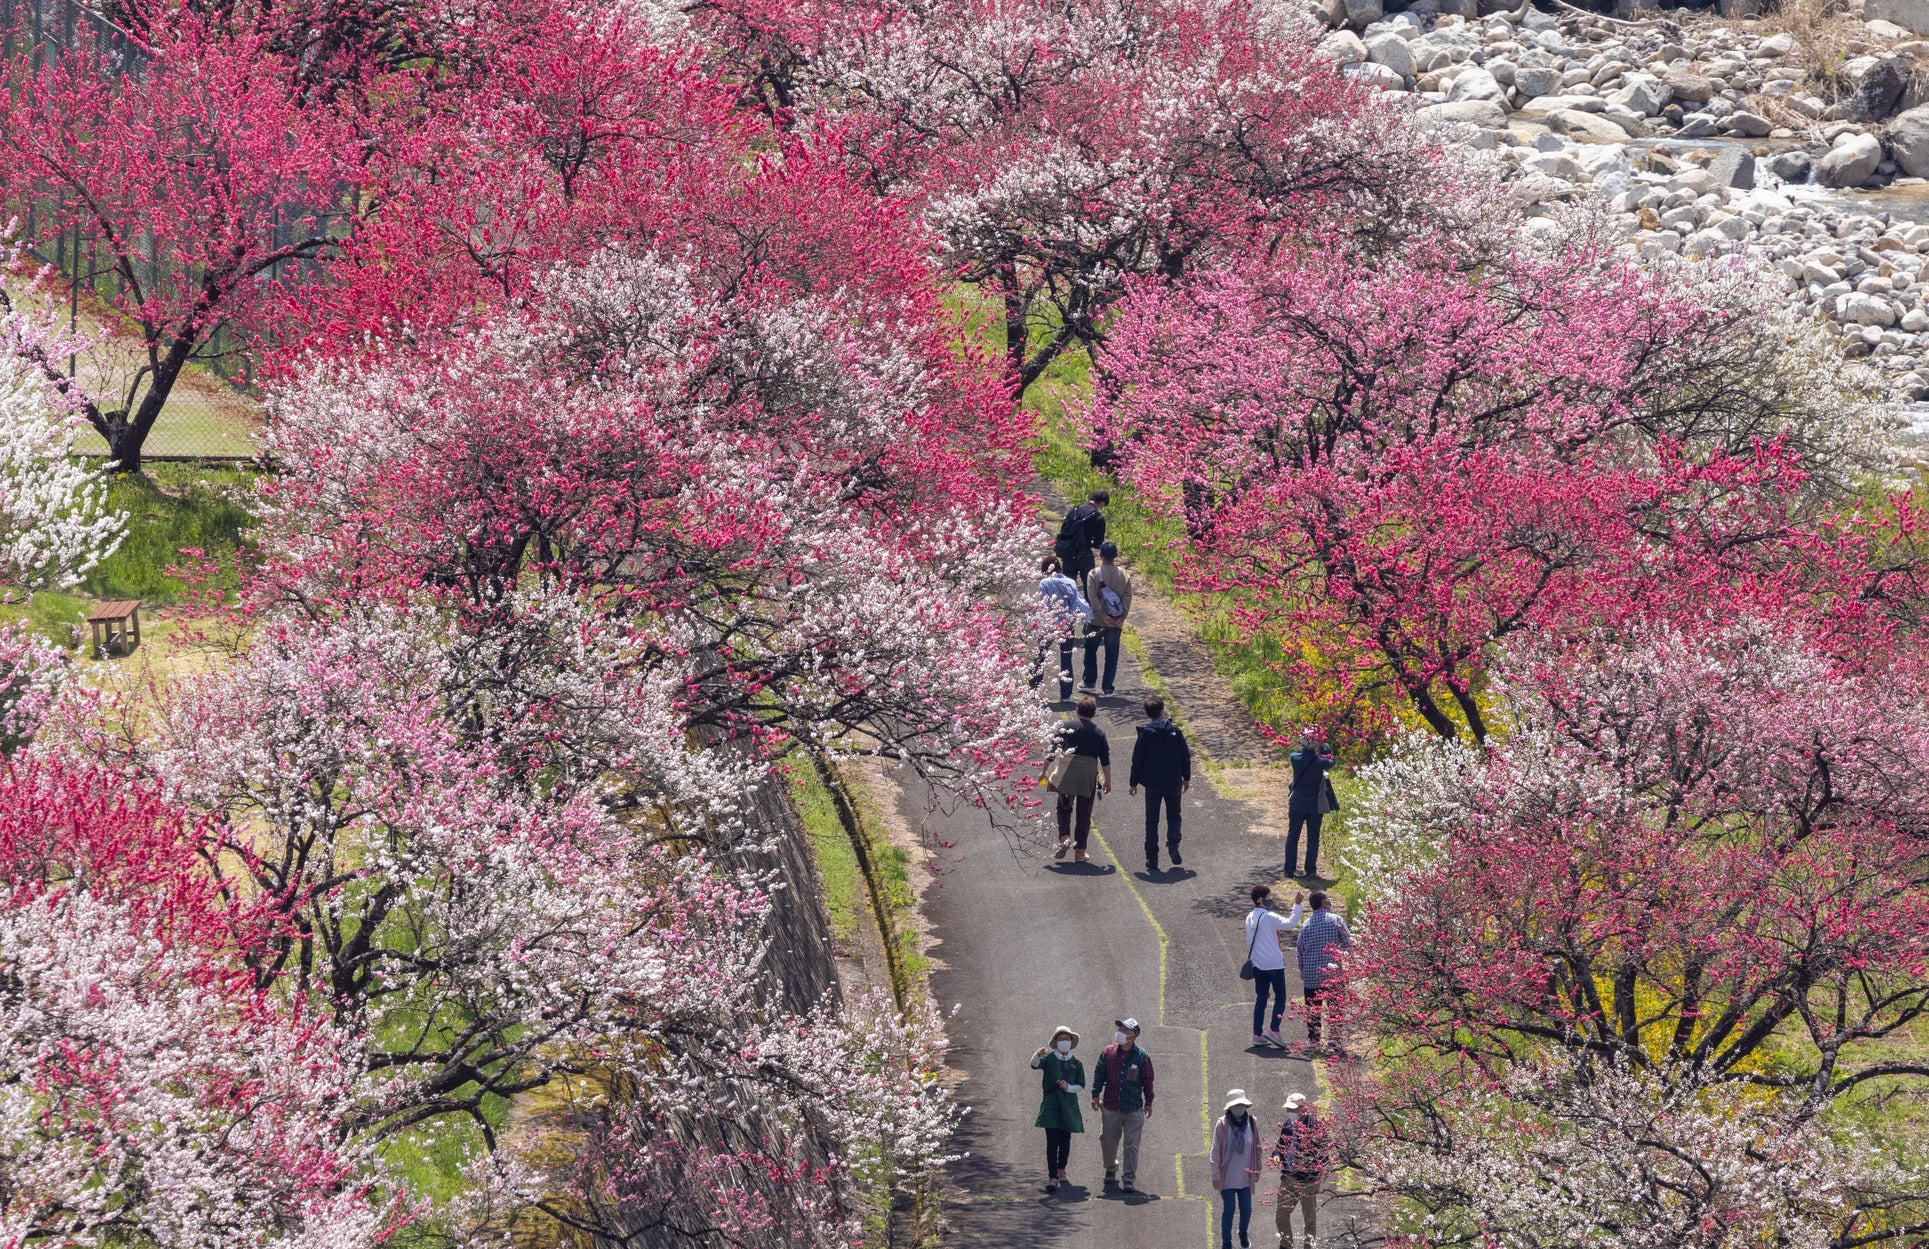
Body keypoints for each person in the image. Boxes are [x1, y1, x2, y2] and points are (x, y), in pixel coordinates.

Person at [1089, 1016, 1154, 1192]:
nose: (1121, 1033)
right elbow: (1099, 1074)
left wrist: (1148, 1103)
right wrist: (1095, 1095)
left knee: (1131, 1145)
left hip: (1133, 1109)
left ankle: (1129, 1179)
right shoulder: (1108, 1053)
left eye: (1126, 1031)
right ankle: (1111, 1168)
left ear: (1134, 1036)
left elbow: (1148, 1081)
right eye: (1120, 1030)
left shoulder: (1142, 1057)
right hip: (1110, 1106)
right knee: (1107, 1141)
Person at [1130, 696, 1191, 873]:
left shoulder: (1145, 734)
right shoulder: (1175, 732)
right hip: (1173, 782)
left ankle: (1152, 858)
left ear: (1148, 714)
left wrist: (1133, 782)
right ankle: (1173, 844)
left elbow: (1137, 760)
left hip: (1152, 784)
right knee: (1174, 815)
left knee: (1152, 821)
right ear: (1162, 711)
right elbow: (1185, 756)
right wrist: (1186, 778)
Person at [1045, 696, 1111, 863]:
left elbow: (1052, 752)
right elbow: (1105, 761)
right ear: (1094, 714)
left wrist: (1044, 771)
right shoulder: (1099, 733)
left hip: (1067, 774)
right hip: (1087, 777)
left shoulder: (1065, 727)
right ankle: (1080, 852)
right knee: (1084, 814)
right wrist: (1108, 781)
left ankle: (1064, 838)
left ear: (1077, 711)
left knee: (1064, 807)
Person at [1244, 884, 1304, 1048]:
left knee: (1261, 999)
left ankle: (1257, 1034)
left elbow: (1250, 942)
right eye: (1270, 896)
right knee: (1280, 997)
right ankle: (1274, 1030)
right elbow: (1290, 924)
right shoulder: (1269, 917)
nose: (1272, 899)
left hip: (1258, 964)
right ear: (1261, 900)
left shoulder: (1250, 918)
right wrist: (1297, 904)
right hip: (1274, 964)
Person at [1030, 1027, 1086, 1193]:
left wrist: (1069, 1087)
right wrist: (1037, 1054)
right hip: (1051, 1105)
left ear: (1071, 1042)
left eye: (1066, 1038)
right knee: (1052, 1142)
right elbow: (1034, 1065)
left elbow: (1081, 1085)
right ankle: (1052, 1176)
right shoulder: (1048, 1058)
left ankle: (1062, 1169)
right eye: (1060, 1038)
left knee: (1065, 1140)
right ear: (1055, 1042)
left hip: (1068, 1105)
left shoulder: (1076, 1063)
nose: (1063, 1040)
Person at [1296, 890, 1351, 1050]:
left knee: (1313, 1009)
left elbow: (1300, 950)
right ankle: (1334, 1038)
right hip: (1332, 972)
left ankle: (1314, 1040)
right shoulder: (1336, 921)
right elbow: (1348, 944)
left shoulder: (1306, 924)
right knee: (1336, 1006)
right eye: (1327, 899)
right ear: (1323, 903)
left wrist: (1302, 968)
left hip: (1312, 974)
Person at [1032, 555, 1091, 703]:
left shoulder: (1044, 583)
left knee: (1041, 657)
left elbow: (1042, 604)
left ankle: (1035, 690)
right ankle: (1065, 695)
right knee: (1066, 658)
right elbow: (1074, 604)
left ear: (1046, 569)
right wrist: (1068, 621)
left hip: (1048, 625)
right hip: (1066, 626)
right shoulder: (1070, 582)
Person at [1209, 1089, 1263, 1249]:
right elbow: (1215, 1151)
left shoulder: (1251, 1123)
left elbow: (1258, 1147)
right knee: (1229, 1210)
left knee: (1247, 1210)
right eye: (1236, 1105)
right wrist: (1215, 1175)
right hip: (1227, 1178)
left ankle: (1243, 1233)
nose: (1240, 1108)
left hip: (1245, 1177)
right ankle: (1227, 1243)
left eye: (1242, 1105)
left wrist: (1257, 1168)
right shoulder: (1222, 1124)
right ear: (1230, 1107)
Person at [1272, 1093, 1327, 1249]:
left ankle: (1309, 1246)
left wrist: (1309, 1162)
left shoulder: (1315, 1126)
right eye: (1288, 1108)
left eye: (1293, 1109)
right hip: (1288, 1176)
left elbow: (1324, 1154)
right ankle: (1286, 1244)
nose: (1290, 1111)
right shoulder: (1288, 1125)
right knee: (1281, 1215)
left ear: (1303, 1109)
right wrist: (1277, 1156)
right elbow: (1280, 1146)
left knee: (1309, 1218)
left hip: (1307, 1180)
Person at [1081, 541, 1132, 695]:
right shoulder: (1124, 574)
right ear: (1116, 556)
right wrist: (1122, 617)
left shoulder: (1094, 574)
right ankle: (1108, 687)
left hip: (1097, 621)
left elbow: (1092, 598)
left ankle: (1089, 682)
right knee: (1112, 655)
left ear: (1100, 555)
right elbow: (1127, 597)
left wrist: (1102, 615)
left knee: (1090, 651)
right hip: (1116, 621)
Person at [1285, 727, 1336, 879]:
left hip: (1297, 803)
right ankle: (1310, 870)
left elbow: (1302, 752)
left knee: (1293, 836)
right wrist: (1322, 745)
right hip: (1315, 805)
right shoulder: (1320, 762)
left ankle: (1289, 870)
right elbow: (1331, 759)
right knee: (1313, 837)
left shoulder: (1294, 757)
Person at [1052, 488, 1109, 592]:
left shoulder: (1074, 510)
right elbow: (1097, 544)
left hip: (1068, 552)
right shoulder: (1098, 517)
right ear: (1102, 502)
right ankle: (1088, 608)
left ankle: (1067, 607)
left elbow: (1064, 530)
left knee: (1067, 587)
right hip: (1085, 554)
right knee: (1090, 587)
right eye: (1103, 506)